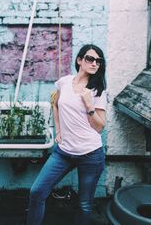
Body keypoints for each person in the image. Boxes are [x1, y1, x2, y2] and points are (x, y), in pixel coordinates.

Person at [26, 44, 107, 225]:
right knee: (37, 192)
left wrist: (89, 106)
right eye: (90, 59)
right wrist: (59, 130)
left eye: (98, 61)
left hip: (90, 154)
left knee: (84, 204)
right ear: (79, 60)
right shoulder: (64, 82)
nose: (95, 63)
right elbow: (55, 102)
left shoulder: (97, 91)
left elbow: (100, 127)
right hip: (63, 152)